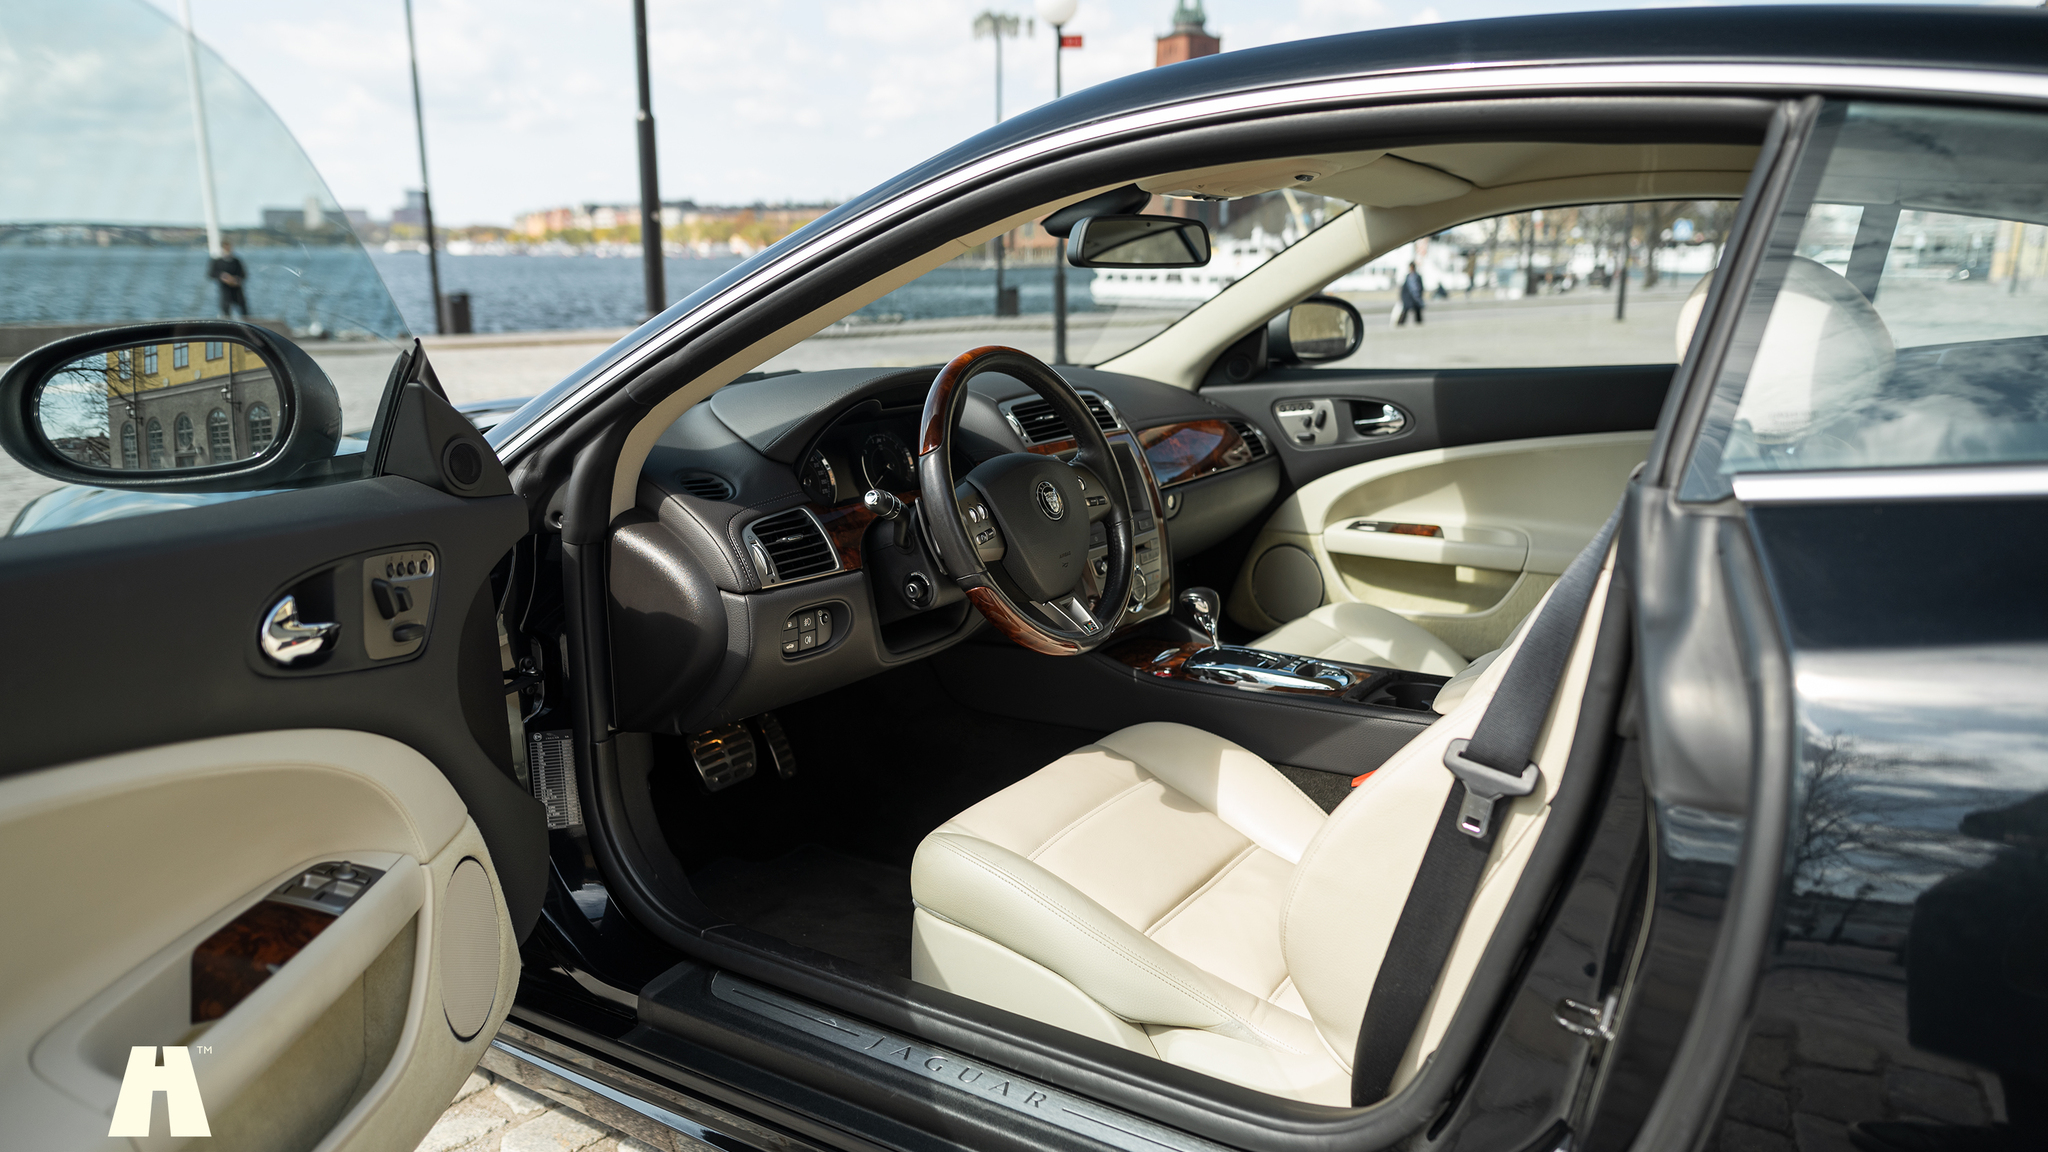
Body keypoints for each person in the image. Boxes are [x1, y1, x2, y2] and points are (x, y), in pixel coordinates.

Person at [208, 241, 248, 317]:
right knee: (226, 309)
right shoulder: (217, 261)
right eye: (226, 247)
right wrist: (223, 276)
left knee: (243, 309)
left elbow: (243, 274)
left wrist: (236, 279)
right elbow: (211, 273)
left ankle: (247, 325)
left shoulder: (236, 261)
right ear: (222, 248)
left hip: (237, 289)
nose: (228, 249)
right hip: (225, 289)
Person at [1397, 261, 1426, 326]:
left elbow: (1421, 287)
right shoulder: (1408, 277)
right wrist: (1403, 298)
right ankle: (1400, 324)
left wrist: (1420, 296)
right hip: (1409, 298)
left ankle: (1419, 324)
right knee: (1405, 311)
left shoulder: (1417, 277)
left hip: (1416, 298)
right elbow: (1404, 289)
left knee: (1417, 312)